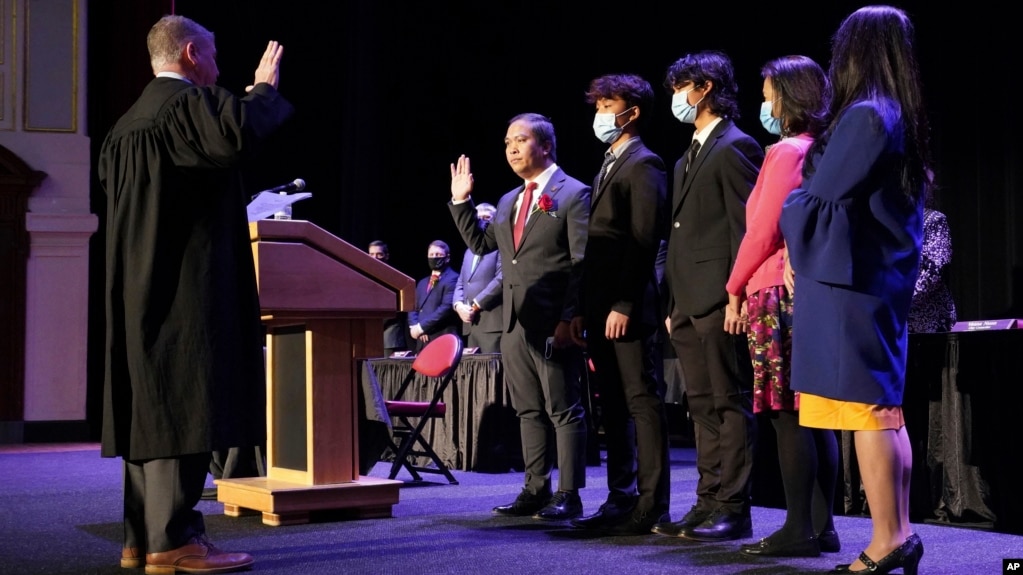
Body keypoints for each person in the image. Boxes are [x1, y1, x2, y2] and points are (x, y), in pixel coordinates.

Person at [98, 14, 293, 573]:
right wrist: (261, 90)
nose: (216, 68)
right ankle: (174, 541)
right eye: (211, 57)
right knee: (184, 406)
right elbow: (238, 130)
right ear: (189, 55)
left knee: (148, 409)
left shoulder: (125, 126)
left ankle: (141, 539)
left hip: (135, 287)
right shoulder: (181, 108)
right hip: (184, 287)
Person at [779, 5, 930, 573]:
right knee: (884, 411)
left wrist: (792, 227)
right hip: (871, 279)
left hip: (852, 284)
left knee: (869, 412)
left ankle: (889, 539)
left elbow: (818, 196)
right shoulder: (893, 113)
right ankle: (900, 534)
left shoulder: (867, 115)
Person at [719, 55, 840, 558]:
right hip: (803, 294)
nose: (764, 103)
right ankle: (820, 525)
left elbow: (763, 228)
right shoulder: (823, 149)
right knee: (812, 411)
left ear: (789, 97)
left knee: (786, 412)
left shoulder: (787, 150)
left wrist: (733, 286)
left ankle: (799, 528)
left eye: (768, 94)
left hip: (773, 292)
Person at [448, 113, 590, 522]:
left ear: (545, 146)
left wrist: (571, 317)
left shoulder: (573, 194)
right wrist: (462, 202)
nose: (511, 147)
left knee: (563, 409)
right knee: (528, 410)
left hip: (553, 322)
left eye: (521, 140)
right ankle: (535, 488)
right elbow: (480, 242)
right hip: (513, 324)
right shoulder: (510, 200)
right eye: (507, 140)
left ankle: (570, 494)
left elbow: (582, 262)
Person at [652, 50, 763, 543]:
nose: (677, 97)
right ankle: (707, 499)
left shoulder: (735, 146)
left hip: (720, 298)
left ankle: (734, 507)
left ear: (706, 88)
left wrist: (737, 296)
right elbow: (678, 235)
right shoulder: (686, 157)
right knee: (699, 404)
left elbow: (747, 228)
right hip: (687, 302)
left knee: (728, 400)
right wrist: (672, 304)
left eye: (682, 87)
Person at [568, 73, 670, 535]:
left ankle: (651, 504)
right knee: (611, 404)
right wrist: (582, 308)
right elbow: (597, 248)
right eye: (599, 104)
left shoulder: (645, 163)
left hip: (628, 306)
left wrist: (626, 301)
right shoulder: (606, 165)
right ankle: (620, 497)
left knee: (640, 400)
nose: (601, 113)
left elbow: (644, 240)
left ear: (633, 112)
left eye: (609, 104)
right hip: (601, 305)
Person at [453, 203, 504, 353]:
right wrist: (458, 306)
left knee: (493, 371)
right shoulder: (468, 252)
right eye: (479, 218)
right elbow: (461, 282)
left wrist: (475, 304)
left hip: (492, 324)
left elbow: (502, 278)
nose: (483, 221)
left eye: (487, 218)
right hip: (470, 324)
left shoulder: (500, 248)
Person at [408, 240, 461, 352]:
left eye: (438, 255)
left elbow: (445, 308)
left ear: (447, 258)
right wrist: (414, 327)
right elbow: (413, 306)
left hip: (442, 337)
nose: (434, 257)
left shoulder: (453, 278)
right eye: (431, 255)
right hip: (422, 340)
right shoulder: (422, 282)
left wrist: (422, 327)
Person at [369, 240, 412, 356]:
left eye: (379, 254)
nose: (375, 257)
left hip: (389, 337)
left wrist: (375, 325)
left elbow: (397, 308)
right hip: (370, 335)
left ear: (387, 256)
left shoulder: (395, 278)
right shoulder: (365, 278)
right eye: (371, 254)